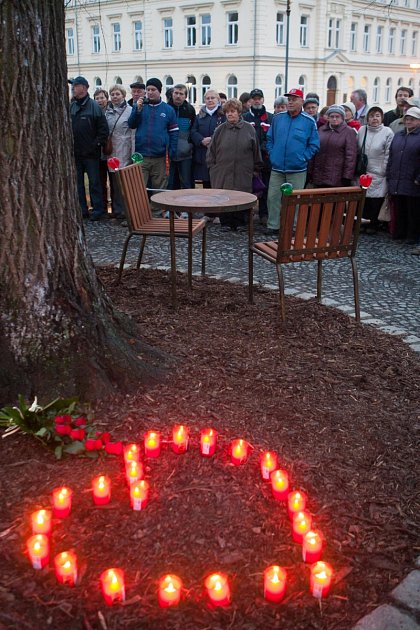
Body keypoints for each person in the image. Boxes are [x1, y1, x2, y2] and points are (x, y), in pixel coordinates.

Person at [266, 88, 320, 234]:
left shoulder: (309, 121)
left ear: (301, 102)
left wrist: (303, 158)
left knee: (295, 200)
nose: (290, 102)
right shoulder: (278, 118)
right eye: (289, 99)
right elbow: (270, 139)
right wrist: (273, 154)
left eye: (294, 99)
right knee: (273, 197)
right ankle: (273, 226)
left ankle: (292, 227)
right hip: (277, 167)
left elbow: (314, 144)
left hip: (297, 169)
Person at [207, 98, 262, 231]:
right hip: (222, 171)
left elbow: (256, 150)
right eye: (227, 112)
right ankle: (226, 222)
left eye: (233, 111)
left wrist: (256, 168)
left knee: (241, 195)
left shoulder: (249, 129)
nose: (230, 114)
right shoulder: (220, 130)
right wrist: (213, 168)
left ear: (239, 112)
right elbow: (211, 151)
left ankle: (241, 223)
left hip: (243, 171)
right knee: (224, 196)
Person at [69, 76, 109, 220]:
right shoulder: (72, 106)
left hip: (91, 154)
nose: (73, 88)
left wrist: (95, 145)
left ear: (84, 88)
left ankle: (97, 210)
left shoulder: (94, 107)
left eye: (76, 86)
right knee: (78, 184)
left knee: (94, 183)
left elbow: (103, 131)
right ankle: (82, 210)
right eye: (73, 86)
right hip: (75, 153)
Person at [128, 78, 179, 189]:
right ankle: (140, 207)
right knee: (138, 188)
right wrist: (137, 110)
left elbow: (174, 133)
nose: (150, 92)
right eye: (148, 90)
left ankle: (157, 207)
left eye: (153, 89)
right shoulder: (139, 106)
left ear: (159, 91)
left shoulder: (168, 110)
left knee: (159, 189)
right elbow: (131, 124)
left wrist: (171, 152)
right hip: (141, 155)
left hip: (160, 156)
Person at [386, 107, 420, 249]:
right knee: (399, 208)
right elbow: (392, 155)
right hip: (397, 178)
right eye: (407, 118)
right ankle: (400, 233)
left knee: (413, 210)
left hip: (413, 179)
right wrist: (389, 173)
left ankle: (412, 236)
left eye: (412, 119)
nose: (409, 121)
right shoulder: (399, 135)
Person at [357, 107, 394, 233]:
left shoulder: (387, 132)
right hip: (364, 171)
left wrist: (384, 169)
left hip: (379, 171)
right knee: (364, 199)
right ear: (367, 118)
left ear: (382, 118)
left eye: (377, 115)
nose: (374, 118)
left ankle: (374, 224)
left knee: (376, 199)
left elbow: (389, 153)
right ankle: (363, 223)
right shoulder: (362, 130)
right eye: (372, 116)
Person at [307, 105, 357, 188]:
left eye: (337, 116)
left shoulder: (349, 132)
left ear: (342, 118)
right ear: (328, 118)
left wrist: (347, 177)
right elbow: (314, 151)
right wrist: (310, 171)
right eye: (332, 116)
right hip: (318, 176)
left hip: (336, 178)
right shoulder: (321, 130)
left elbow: (350, 157)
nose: (334, 119)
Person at [243, 88, 273, 225]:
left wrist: (262, 148)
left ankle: (264, 214)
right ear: (250, 100)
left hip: (266, 160)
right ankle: (246, 215)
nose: (256, 100)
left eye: (259, 98)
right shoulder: (244, 117)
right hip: (248, 160)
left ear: (263, 99)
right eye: (254, 98)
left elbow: (273, 137)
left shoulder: (270, 117)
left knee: (265, 188)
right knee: (248, 189)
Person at [105, 85, 134, 221]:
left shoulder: (130, 111)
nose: (115, 97)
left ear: (123, 96)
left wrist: (132, 152)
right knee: (114, 182)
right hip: (112, 150)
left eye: (117, 94)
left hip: (125, 149)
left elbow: (132, 132)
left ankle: (126, 211)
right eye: (112, 94)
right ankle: (117, 210)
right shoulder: (107, 111)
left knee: (124, 182)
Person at [191, 90, 225, 188]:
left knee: (218, 183)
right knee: (206, 185)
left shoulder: (223, 116)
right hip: (203, 154)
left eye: (212, 98)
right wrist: (201, 140)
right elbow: (193, 131)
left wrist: (212, 140)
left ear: (218, 100)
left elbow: (225, 132)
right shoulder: (199, 116)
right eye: (207, 98)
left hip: (218, 155)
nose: (210, 100)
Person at [167, 84, 196, 189]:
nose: (178, 96)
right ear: (172, 94)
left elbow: (193, 129)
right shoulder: (166, 108)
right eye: (176, 93)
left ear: (185, 96)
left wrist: (189, 146)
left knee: (186, 183)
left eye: (181, 94)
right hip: (168, 153)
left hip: (185, 153)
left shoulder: (190, 110)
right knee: (169, 184)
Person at [94, 89, 110, 214]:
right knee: (99, 181)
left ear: (106, 99)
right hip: (97, 152)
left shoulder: (110, 112)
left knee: (114, 182)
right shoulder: (93, 111)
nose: (100, 100)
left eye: (102, 98)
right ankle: (102, 206)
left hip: (110, 150)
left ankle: (115, 208)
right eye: (97, 98)